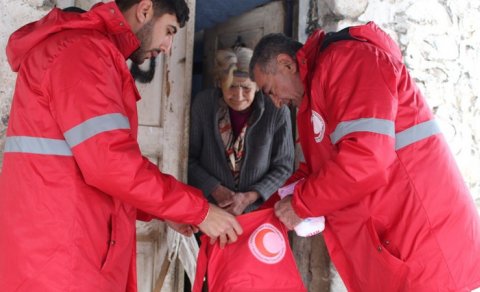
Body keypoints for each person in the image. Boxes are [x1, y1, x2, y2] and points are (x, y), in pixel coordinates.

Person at [0, 0, 242, 291]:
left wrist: (169, 211)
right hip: (63, 263)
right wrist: (199, 211)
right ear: (144, 9)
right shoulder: (82, 53)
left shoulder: (84, 51)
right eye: (169, 31)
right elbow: (111, 165)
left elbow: (100, 166)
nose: (167, 46)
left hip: (63, 253)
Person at [249, 22, 480, 291]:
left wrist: (299, 205)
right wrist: (261, 215)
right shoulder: (315, 94)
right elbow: (318, 173)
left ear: (286, 64)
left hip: (417, 243)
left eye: (270, 90)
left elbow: (366, 159)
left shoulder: (348, 60)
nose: (276, 102)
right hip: (392, 245)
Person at [188, 47, 294, 215]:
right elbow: (188, 159)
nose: (238, 96)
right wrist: (215, 189)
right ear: (219, 83)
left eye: (246, 88)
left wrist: (249, 197)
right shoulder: (204, 104)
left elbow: (283, 167)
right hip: (212, 209)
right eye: (231, 86)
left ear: (258, 85)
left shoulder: (276, 110)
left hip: (258, 212)